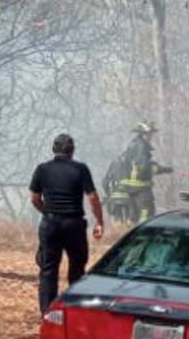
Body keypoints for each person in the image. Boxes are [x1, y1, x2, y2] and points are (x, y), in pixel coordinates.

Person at [30, 134, 104, 313]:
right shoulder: (80, 169)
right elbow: (93, 197)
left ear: (53, 149)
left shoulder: (42, 169)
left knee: (48, 271)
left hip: (51, 224)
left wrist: (47, 212)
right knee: (77, 269)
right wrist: (99, 221)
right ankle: (74, 310)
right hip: (74, 224)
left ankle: (47, 314)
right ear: (72, 150)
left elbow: (34, 198)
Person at [117, 122, 173, 223]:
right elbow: (143, 168)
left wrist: (152, 164)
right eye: (149, 134)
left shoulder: (133, 144)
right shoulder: (141, 146)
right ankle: (144, 233)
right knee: (147, 213)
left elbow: (136, 164)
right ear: (143, 134)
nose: (151, 136)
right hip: (140, 188)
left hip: (130, 188)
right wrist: (162, 169)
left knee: (134, 215)